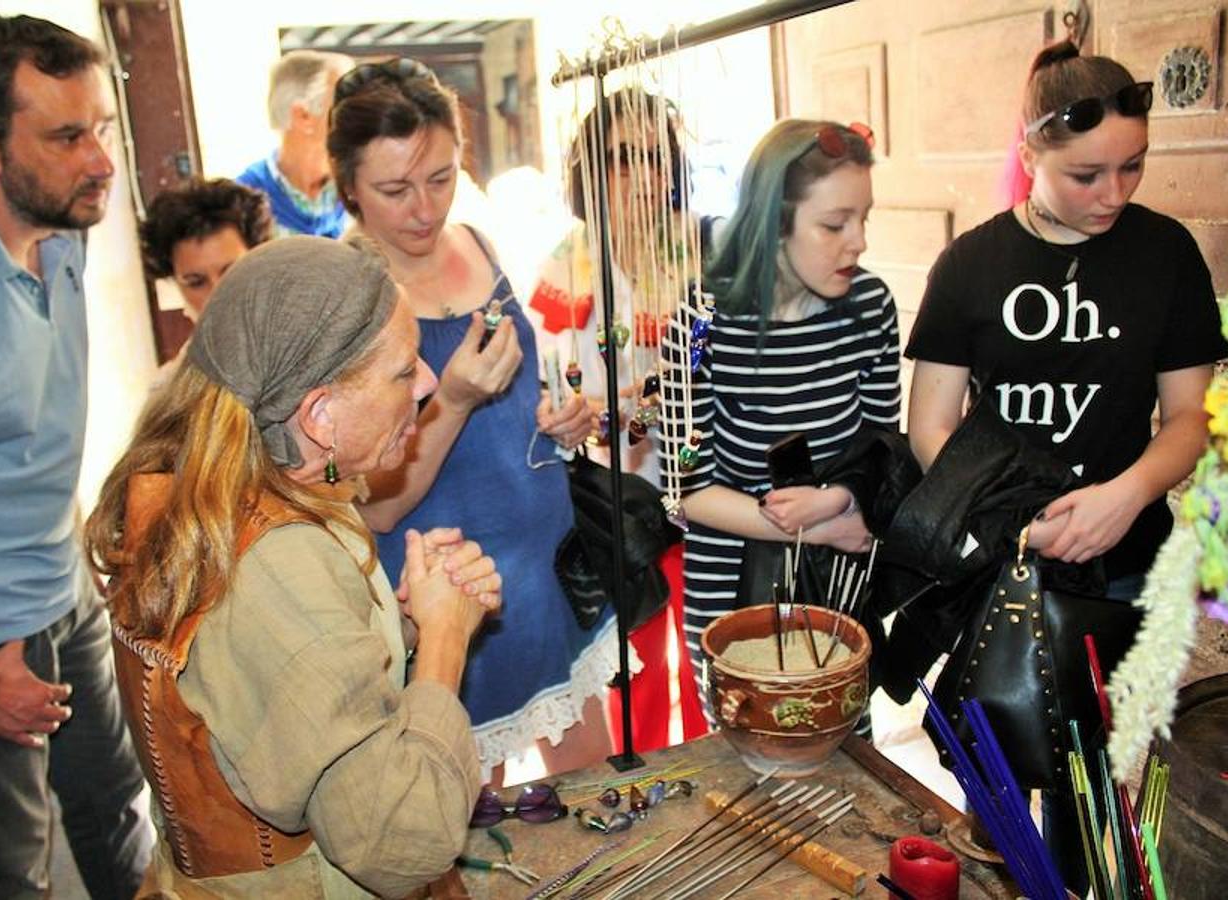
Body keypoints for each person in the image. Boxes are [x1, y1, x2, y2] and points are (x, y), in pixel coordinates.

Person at [904, 41, 1228, 889]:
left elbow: (1190, 416)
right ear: (1029, 154)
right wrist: (1009, 517)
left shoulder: (1166, 255)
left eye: (1132, 168)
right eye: (1086, 174)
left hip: (1124, 566)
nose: (1114, 194)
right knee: (998, 802)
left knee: (1108, 811)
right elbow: (931, 427)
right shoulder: (971, 263)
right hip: (1000, 573)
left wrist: (1126, 495)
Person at [87, 237, 500, 897]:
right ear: (318, 414)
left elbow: (267, 690)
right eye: (402, 370)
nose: (427, 381)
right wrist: (448, 640)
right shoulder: (277, 560)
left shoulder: (215, 490)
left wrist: (406, 623)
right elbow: (400, 843)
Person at [0, 15, 152, 899]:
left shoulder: (60, 216)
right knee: (4, 874)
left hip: (61, 586)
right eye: (68, 136)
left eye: (105, 130)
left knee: (117, 802)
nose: (102, 162)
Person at [326, 57, 616, 782]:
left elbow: (520, 398)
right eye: (394, 189)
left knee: (597, 790)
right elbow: (382, 506)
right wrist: (451, 400)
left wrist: (559, 419)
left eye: (442, 177)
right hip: (449, 592)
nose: (425, 210)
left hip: (545, 564)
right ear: (348, 187)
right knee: (466, 818)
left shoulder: (478, 246)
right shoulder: (349, 297)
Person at [662, 119, 901, 717]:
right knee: (754, 752)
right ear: (773, 220)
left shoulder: (870, 307)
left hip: (838, 582)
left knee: (843, 748)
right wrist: (812, 526)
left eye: (864, 218)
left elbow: (883, 450)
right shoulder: (702, 320)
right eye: (834, 224)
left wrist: (842, 500)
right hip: (733, 590)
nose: (859, 242)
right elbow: (689, 489)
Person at [528, 88, 710, 751]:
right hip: (614, 503)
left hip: (705, 488)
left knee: (705, 654)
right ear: (590, 171)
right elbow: (546, 395)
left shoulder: (698, 250)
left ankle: (711, 778)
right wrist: (615, 405)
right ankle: (650, 789)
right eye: (623, 158)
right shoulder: (564, 266)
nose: (645, 176)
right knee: (632, 665)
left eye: (656, 156)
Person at [138, 178, 273, 384]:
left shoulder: (318, 349)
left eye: (232, 271)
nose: (217, 293)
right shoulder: (172, 392)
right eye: (196, 282)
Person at [235, 50, 353, 238]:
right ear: (303, 116)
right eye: (344, 104)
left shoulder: (362, 187)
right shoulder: (243, 203)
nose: (358, 115)